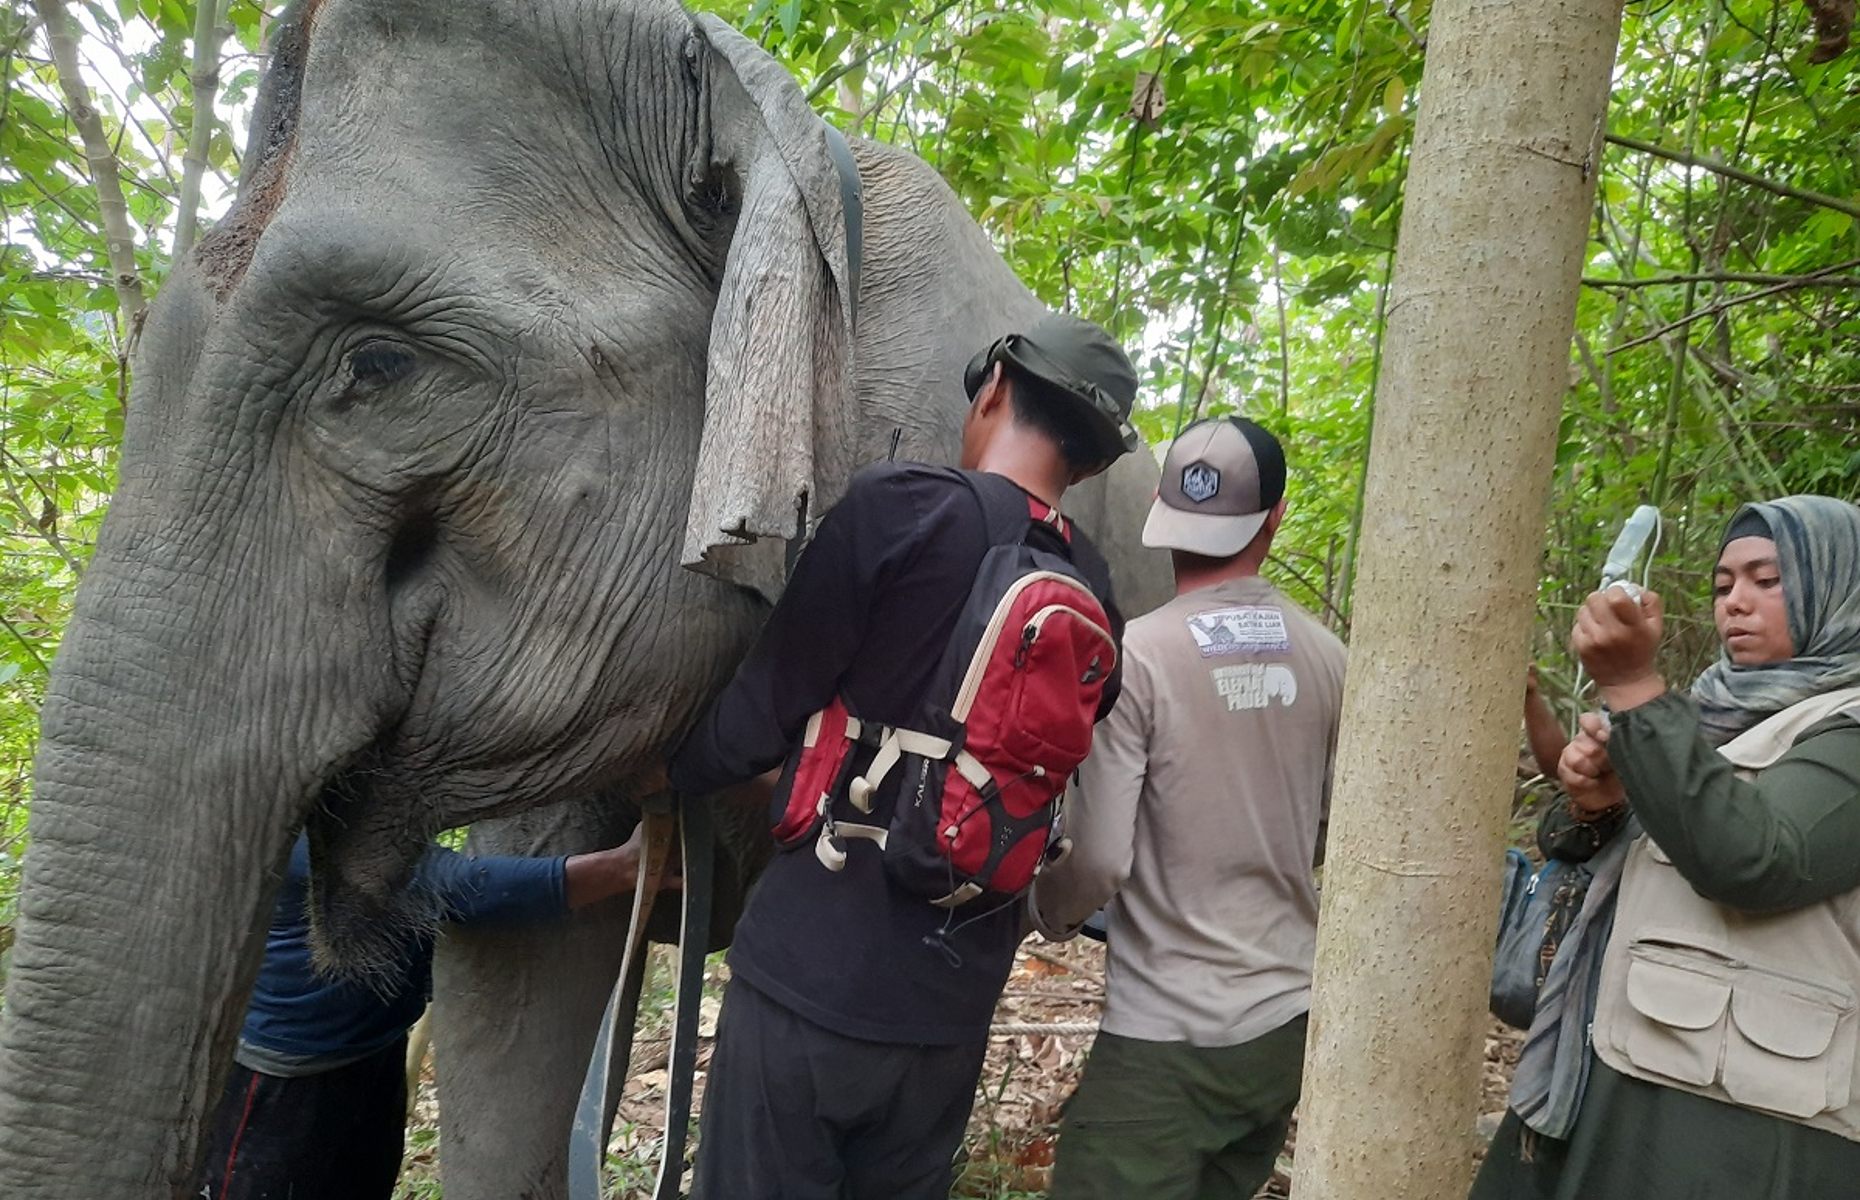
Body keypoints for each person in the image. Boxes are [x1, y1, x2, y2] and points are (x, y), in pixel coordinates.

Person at [667, 313, 1140, 1200]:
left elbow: (759, 714)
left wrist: (670, 769)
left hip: (814, 975)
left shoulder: (903, 508)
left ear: (994, 388)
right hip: (952, 1006)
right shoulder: (1095, 590)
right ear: (1090, 462)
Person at [1471, 494, 1860, 1200]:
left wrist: (1632, 686)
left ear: (1840, 586)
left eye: (1767, 582)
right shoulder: (1712, 713)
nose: (1735, 604)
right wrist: (1603, 800)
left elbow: (1757, 859)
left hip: (1744, 1125)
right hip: (1616, 1061)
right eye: (1723, 585)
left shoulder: (1848, 728)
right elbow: (1584, 849)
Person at [1030, 416, 1347, 1200]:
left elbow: (1100, 858)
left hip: (1167, 1036)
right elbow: (1328, 828)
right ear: (1274, 518)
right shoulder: (1332, 660)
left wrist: (1048, 909)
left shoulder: (1133, 659)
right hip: (1284, 1022)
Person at [193, 827, 654, 1200]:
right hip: (288, 1077)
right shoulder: (300, 827)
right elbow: (459, 889)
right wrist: (619, 869)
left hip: (373, 1049)